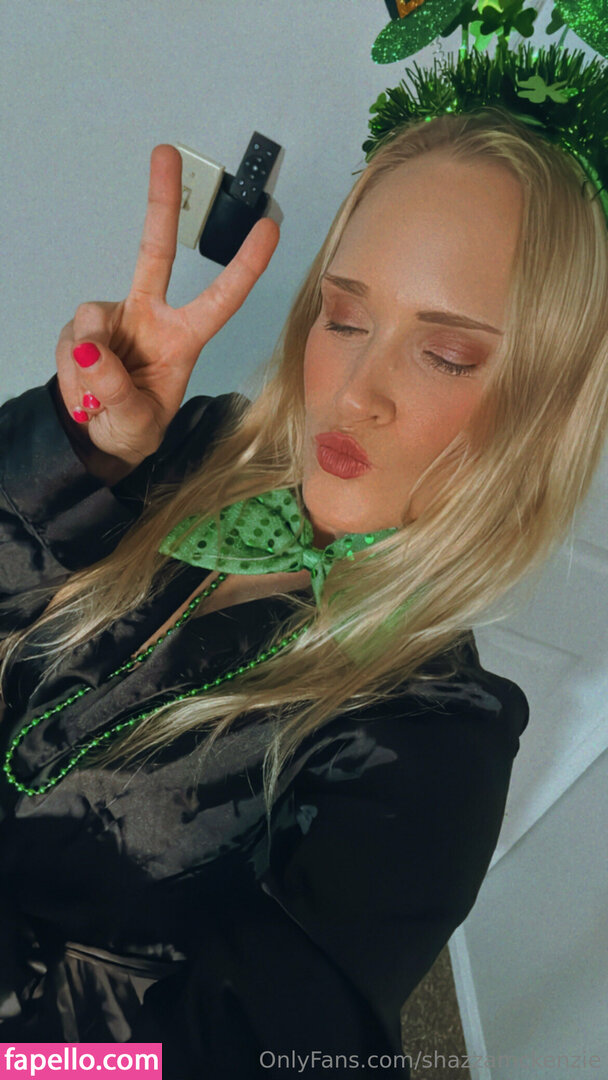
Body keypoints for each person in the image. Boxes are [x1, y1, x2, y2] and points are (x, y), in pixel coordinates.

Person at [0, 109, 605, 1078]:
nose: (355, 391)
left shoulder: (434, 741)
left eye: (445, 354)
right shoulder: (193, 445)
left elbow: (230, 1060)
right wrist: (81, 455)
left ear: (543, 404)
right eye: (344, 318)